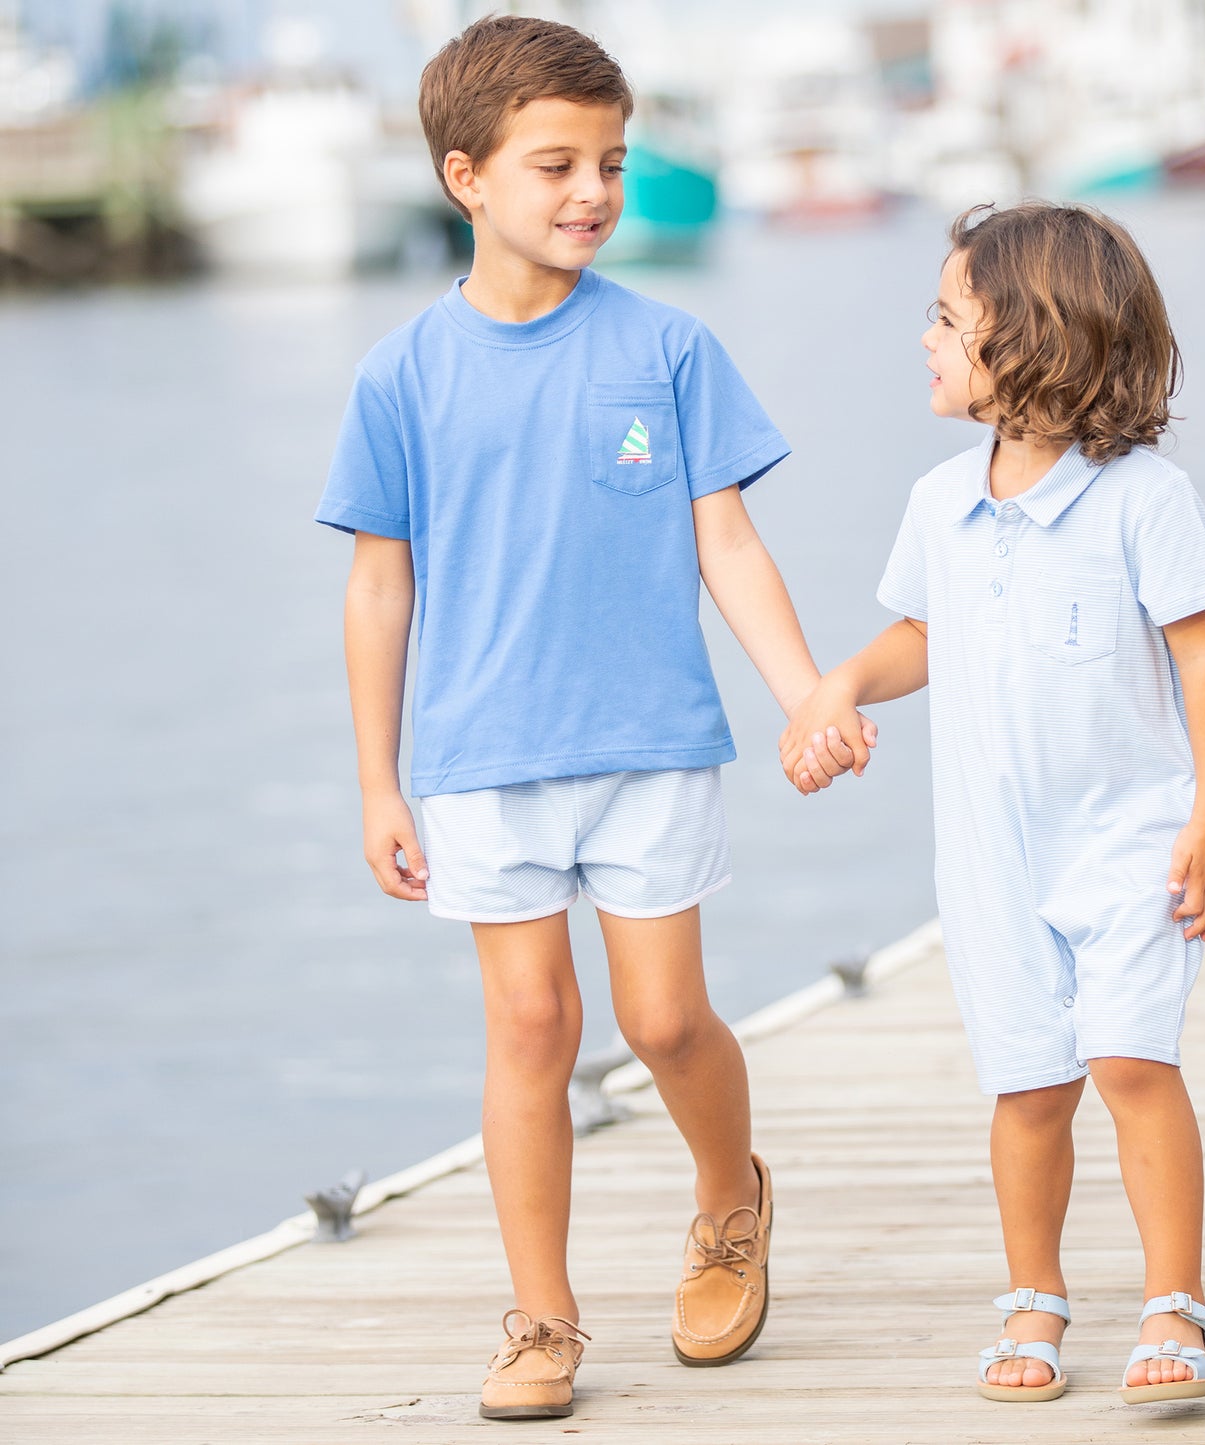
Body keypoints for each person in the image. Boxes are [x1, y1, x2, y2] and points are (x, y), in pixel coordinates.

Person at [315, 15, 868, 1422]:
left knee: (667, 1020)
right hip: (480, 755)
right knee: (529, 1026)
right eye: (556, 163)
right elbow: (378, 588)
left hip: (651, 742)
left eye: (611, 163)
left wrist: (804, 689)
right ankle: (540, 1316)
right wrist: (378, 781)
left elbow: (723, 540)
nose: (594, 191)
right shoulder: (401, 376)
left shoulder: (666, 346)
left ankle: (729, 1198)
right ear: (464, 177)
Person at [782, 202, 1205, 1406]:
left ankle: (1173, 1297)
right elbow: (923, 632)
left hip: (1131, 840)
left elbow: (1203, 656)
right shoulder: (939, 501)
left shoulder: (1141, 497)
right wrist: (839, 683)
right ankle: (1032, 1294)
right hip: (990, 857)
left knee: (1129, 1058)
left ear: (1032, 339)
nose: (923, 339)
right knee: (1028, 1084)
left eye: (946, 319)